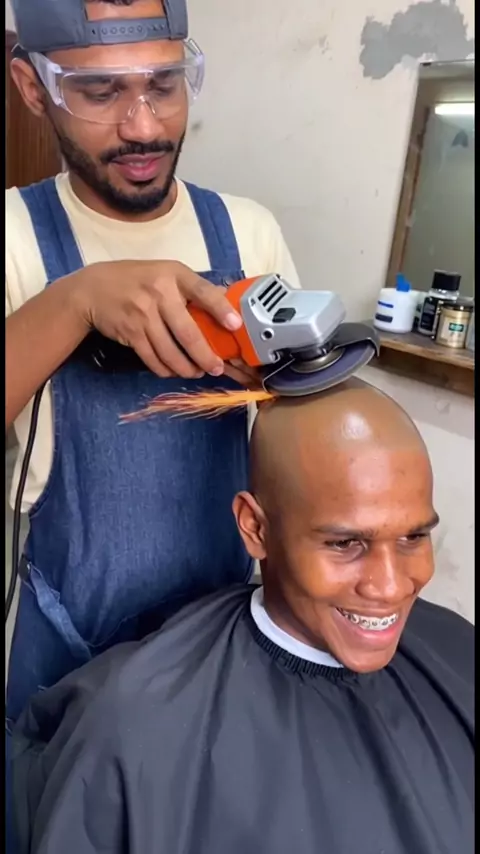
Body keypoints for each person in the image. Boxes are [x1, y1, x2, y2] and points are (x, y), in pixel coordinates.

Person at [12, 381, 474, 854]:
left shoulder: (461, 656)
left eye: (413, 537)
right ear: (255, 528)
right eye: (345, 543)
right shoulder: (133, 728)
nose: (391, 586)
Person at [6, 0, 300, 728]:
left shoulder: (247, 232)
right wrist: (73, 303)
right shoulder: (13, 237)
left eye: (164, 85)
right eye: (99, 91)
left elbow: (295, 430)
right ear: (33, 87)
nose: (142, 126)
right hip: (62, 640)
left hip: (218, 638)